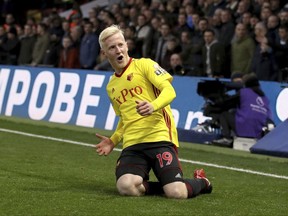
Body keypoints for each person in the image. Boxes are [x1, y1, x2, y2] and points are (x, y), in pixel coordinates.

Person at [95, 25, 212, 199]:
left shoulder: (145, 65)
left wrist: (153, 105)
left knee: (177, 194)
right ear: (104, 53)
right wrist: (113, 140)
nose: (118, 50)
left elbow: (170, 91)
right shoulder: (111, 86)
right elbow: (124, 119)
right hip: (133, 145)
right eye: (112, 47)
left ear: (126, 45)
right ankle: (165, 186)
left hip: (159, 138)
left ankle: (202, 181)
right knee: (125, 187)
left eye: (120, 44)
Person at [212, 73, 272, 147]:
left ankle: (226, 138)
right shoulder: (265, 98)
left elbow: (227, 102)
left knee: (224, 114)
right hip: (257, 132)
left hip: (243, 128)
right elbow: (268, 118)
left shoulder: (244, 92)